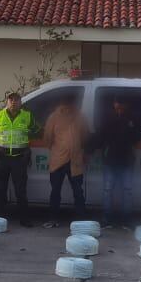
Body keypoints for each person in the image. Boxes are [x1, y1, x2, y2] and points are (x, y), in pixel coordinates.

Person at [0, 91, 38, 227]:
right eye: (11, 100)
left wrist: (30, 133)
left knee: (21, 191)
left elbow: (37, 130)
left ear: (21, 102)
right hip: (2, 159)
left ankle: (24, 219)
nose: (13, 102)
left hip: (19, 159)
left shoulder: (27, 116)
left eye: (16, 99)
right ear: (7, 102)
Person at [41, 95, 88, 227]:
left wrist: (56, 149)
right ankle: (80, 219)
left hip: (65, 160)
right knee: (75, 191)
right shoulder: (79, 116)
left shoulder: (55, 117)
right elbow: (85, 137)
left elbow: (47, 138)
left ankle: (54, 219)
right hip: (68, 160)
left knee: (61, 191)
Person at [96, 97, 139, 229]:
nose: (119, 106)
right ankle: (107, 218)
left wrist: (127, 124)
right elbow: (100, 136)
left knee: (127, 191)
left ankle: (126, 220)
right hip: (110, 160)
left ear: (125, 105)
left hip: (126, 160)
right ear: (113, 104)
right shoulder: (107, 118)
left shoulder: (131, 118)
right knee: (108, 190)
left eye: (121, 104)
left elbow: (137, 137)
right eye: (116, 104)